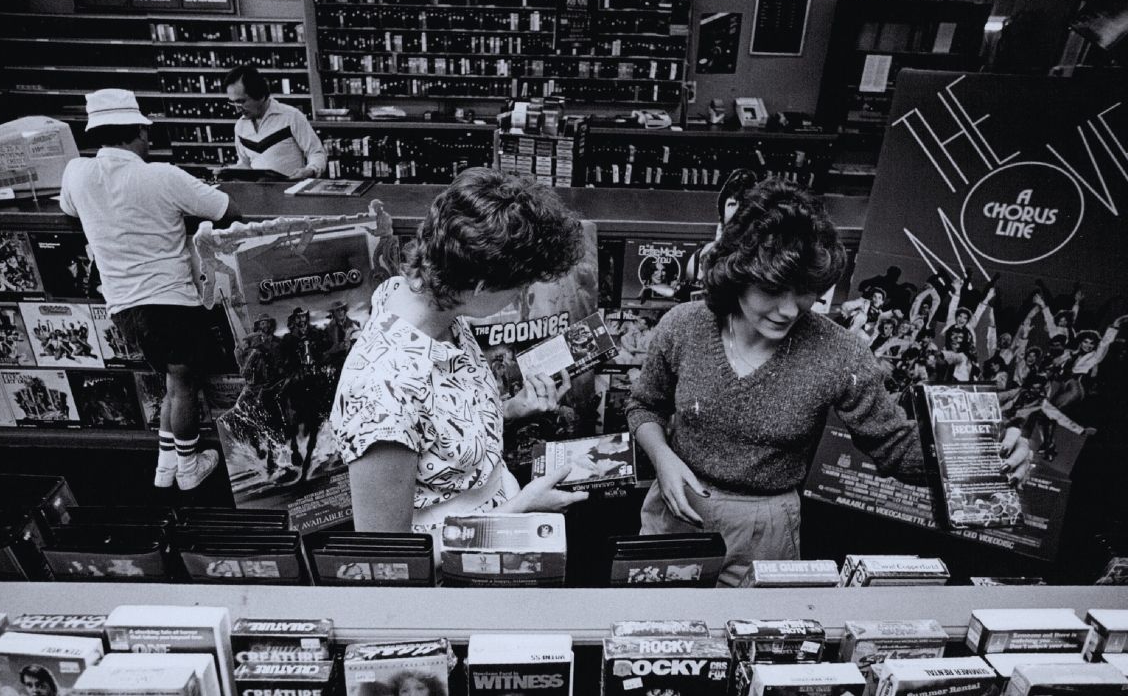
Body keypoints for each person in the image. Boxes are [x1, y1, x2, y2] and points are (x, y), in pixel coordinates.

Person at [625, 178, 1033, 587]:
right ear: (737, 272)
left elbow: (894, 445)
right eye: (772, 289)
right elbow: (644, 405)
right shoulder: (684, 326)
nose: (788, 309)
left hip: (765, 529)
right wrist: (663, 457)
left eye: (805, 292)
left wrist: (981, 453)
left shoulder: (838, 352)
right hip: (675, 512)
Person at [329, 168, 590, 537]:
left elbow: (436, 431)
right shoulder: (380, 396)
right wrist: (520, 509)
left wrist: (511, 409)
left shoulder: (434, 304)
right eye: (520, 287)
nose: (521, 296)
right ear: (481, 285)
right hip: (456, 570)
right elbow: (392, 558)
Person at [60, 89, 241, 490]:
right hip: (172, 302)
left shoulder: (76, 172)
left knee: (171, 383)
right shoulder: (160, 175)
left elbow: (69, 209)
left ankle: (165, 466)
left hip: (125, 308)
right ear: (137, 131)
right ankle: (190, 470)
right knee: (183, 386)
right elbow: (228, 211)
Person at [227, 64, 327, 180]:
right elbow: (245, 163)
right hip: (258, 194)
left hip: (290, 191)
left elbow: (317, 153)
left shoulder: (291, 116)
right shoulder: (240, 126)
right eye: (233, 102)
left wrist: (310, 170)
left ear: (260, 95)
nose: (237, 109)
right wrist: (229, 171)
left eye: (241, 101)